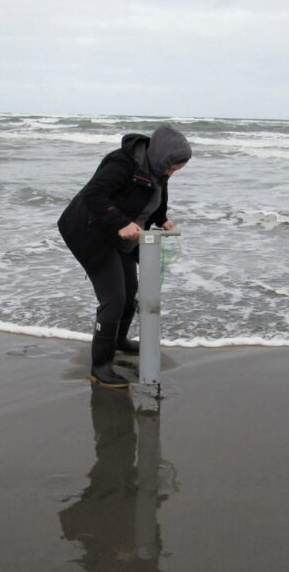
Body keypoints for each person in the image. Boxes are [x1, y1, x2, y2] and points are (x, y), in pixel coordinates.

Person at [57, 123, 192, 388]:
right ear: (162, 157)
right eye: (172, 168)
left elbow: (152, 197)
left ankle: (118, 341)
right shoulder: (122, 163)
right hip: (91, 233)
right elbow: (93, 195)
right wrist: (120, 221)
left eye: (177, 170)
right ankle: (100, 367)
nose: (172, 174)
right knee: (114, 300)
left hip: (120, 236)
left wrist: (161, 218)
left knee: (130, 294)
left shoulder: (158, 169)